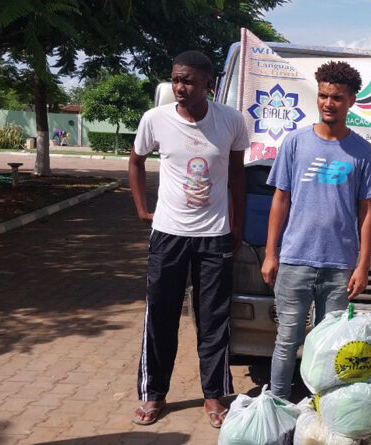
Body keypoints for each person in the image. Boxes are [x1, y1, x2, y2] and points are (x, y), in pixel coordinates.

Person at [128, 50, 248, 428]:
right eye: (176, 79)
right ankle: (154, 394)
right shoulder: (155, 119)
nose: (180, 87)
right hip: (168, 235)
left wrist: (237, 225)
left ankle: (214, 395)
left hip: (214, 236)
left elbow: (238, 177)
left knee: (213, 318)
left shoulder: (231, 121)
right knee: (160, 315)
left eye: (189, 81)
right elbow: (135, 160)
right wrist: (141, 209)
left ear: (208, 85)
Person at [261, 61, 371, 400]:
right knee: (287, 341)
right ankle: (279, 408)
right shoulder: (295, 143)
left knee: (331, 345)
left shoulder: (362, 151)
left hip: (339, 266)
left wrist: (363, 264)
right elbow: (280, 200)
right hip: (295, 260)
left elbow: (367, 211)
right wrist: (271, 253)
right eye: (323, 95)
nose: (328, 103)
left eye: (337, 97)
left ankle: (325, 411)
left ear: (351, 101)